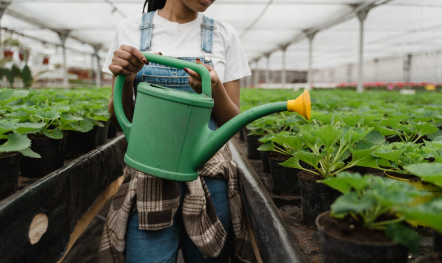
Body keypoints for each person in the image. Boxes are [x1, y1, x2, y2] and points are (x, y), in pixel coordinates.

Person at [98, 0, 254, 263]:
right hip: (150, 177)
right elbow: (120, 119)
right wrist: (126, 79)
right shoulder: (130, 29)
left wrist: (213, 87)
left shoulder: (224, 34)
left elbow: (232, 122)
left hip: (209, 175)